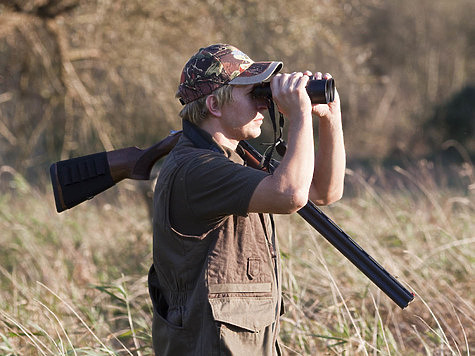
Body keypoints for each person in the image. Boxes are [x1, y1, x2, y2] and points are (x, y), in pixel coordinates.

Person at [148, 43, 345, 355]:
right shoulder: (197, 170)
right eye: (254, 93)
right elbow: (291, 195)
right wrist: (299, 115)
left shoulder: (233, 159)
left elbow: (324, 191)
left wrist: (329, 118)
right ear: (214, 104)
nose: (264, 105)